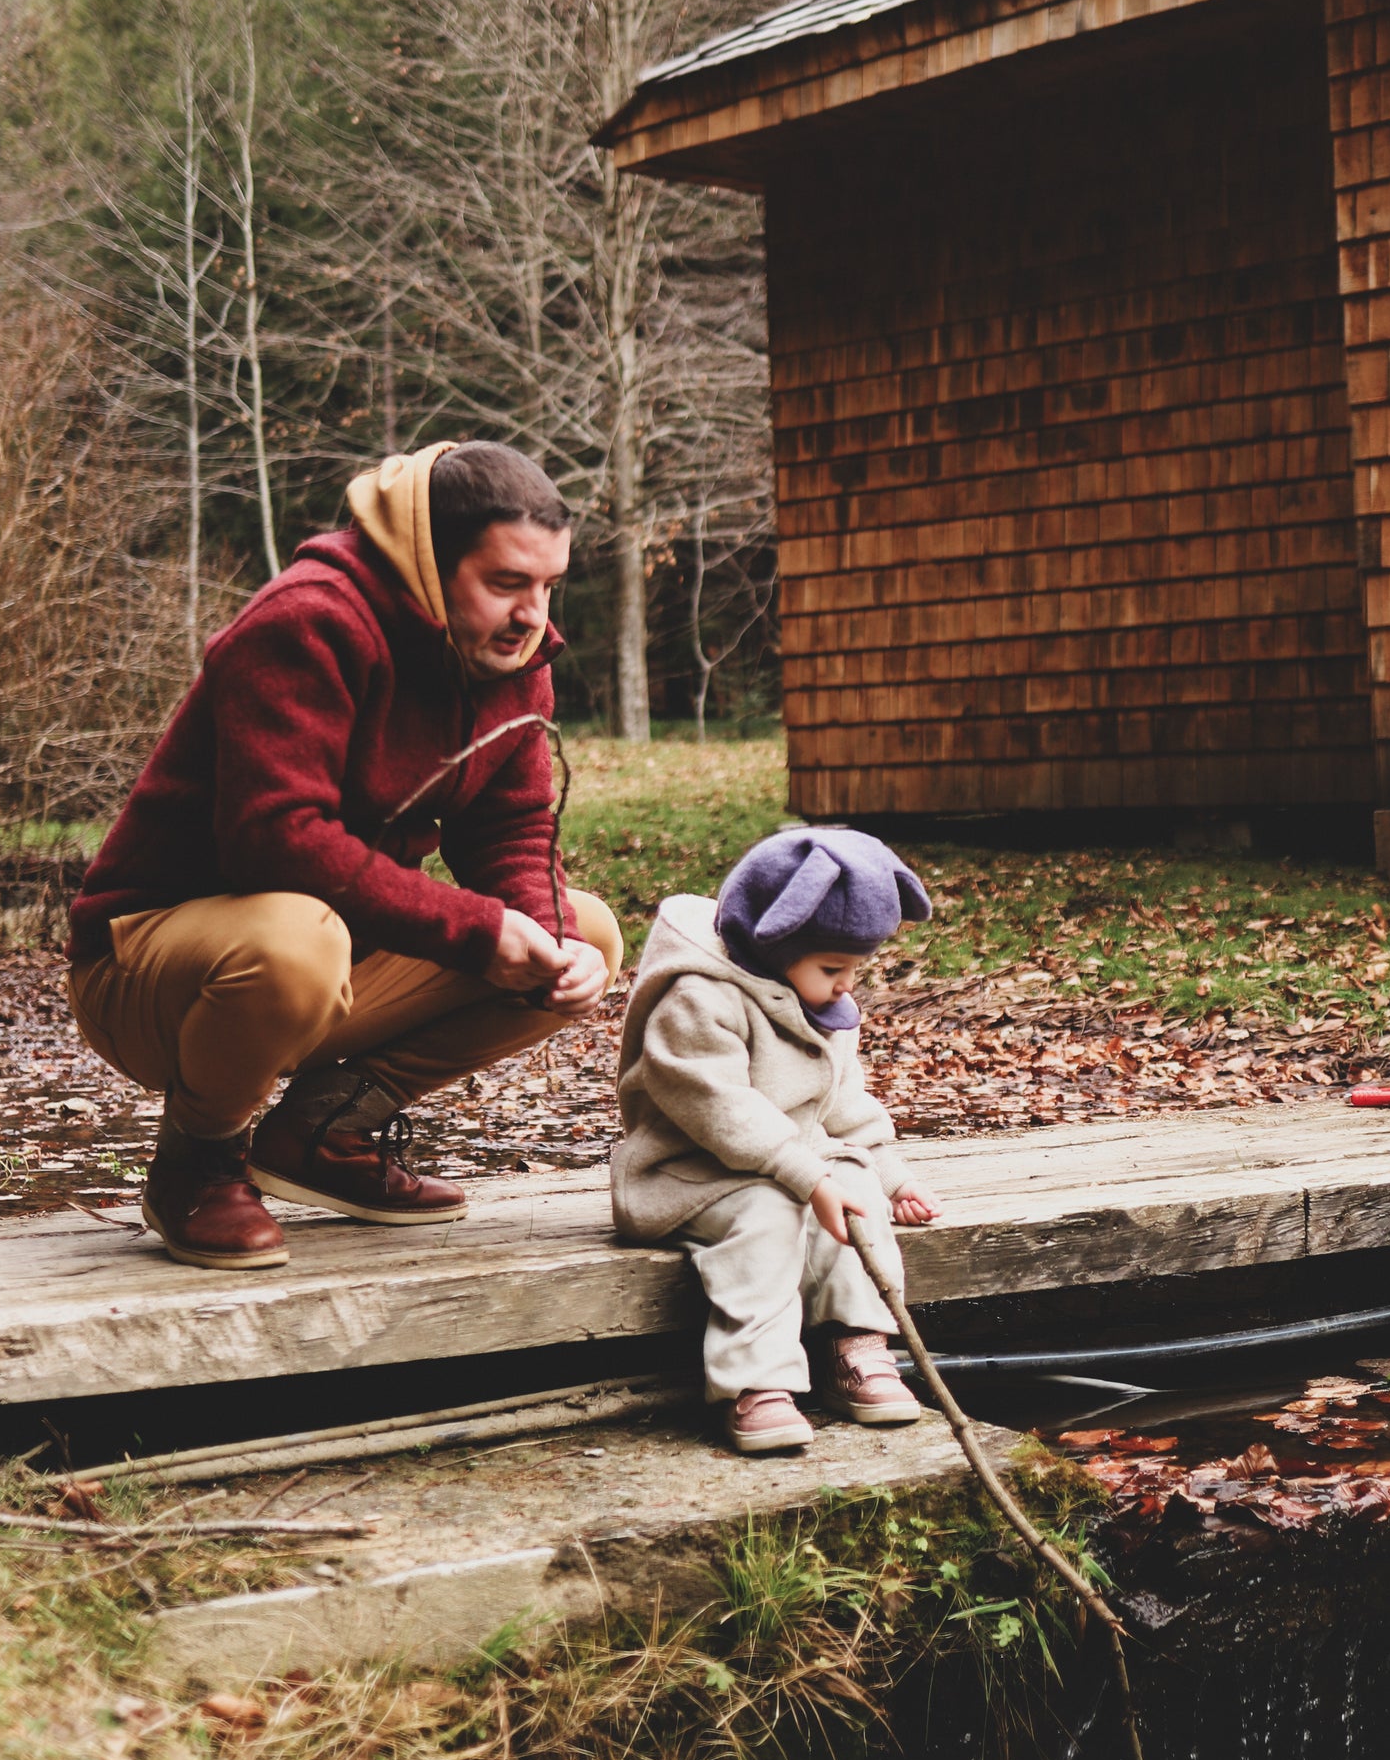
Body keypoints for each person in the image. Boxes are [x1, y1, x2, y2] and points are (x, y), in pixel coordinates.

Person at [68, 441, 620, 1269]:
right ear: (429, 564)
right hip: (148, 965)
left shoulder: (510, 664)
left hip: (326, 951)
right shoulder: (307, 622)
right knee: (300, 938)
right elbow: (275, 840)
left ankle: (323, 1133)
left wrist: (541, 933)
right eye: (506, 584)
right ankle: (197, 1162)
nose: (533, 615)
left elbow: (510, 833)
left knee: (588, 934)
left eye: (548, 587)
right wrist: (478, 931)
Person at [611, 826, 944, 1455]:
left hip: (793, 1165)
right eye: (833, 968)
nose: (848, 984)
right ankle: (756, 1383)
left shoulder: (820, 1000)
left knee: (854, 1185)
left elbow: (843, 1105)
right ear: (774, 941)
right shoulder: (697, 998)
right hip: (688, 1174)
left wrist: (891, 1175)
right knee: (770, 1212)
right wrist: (805, 1176)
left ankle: (856, 1344)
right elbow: (719, 1110)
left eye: (856, 969)